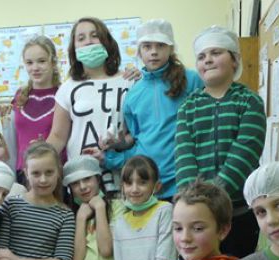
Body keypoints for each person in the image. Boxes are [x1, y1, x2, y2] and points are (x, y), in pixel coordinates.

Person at [174, 26, 266, 258]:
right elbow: (184, 157)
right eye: (201, 56)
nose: (208, 60)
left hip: (238, 214)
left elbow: (244, 156)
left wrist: (211, 200)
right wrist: (194, 201)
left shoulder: (250, 102)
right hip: (196, 218)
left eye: (216, 53)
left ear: (234, 60)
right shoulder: (188, 107)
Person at [87, 19, 203, 200]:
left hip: (185, 183)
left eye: (160, 45)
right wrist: (111, 153)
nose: (154, 52)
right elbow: (137, 141)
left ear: (171, 49)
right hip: (148, 186)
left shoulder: (192, 80)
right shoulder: (133, 93)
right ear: (139, 51)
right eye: (147, 46)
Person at [47, 17, 133, 194]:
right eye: (81, 38)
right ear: (74, 48)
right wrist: (39, 157)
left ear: (107, 41)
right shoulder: (68, 88)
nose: (88, 41)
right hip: (81, 180)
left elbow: (137, 132)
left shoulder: (129, 81)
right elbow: (58, 136)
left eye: (95, 36)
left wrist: (121, 143)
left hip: (124, 176)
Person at [0, 142, 75, 260]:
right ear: (26, 173)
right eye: (36, 173)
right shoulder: (11, 205)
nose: (43, 179)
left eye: (49, 172)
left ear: (58, 172)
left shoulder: (65, 215)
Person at [13, 35, 63, 175]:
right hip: (23, 171)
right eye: (29, 63)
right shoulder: (20, 95)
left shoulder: (63, 94)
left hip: (52, 172)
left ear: (53, 62)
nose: (35, 68)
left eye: (41, 61)